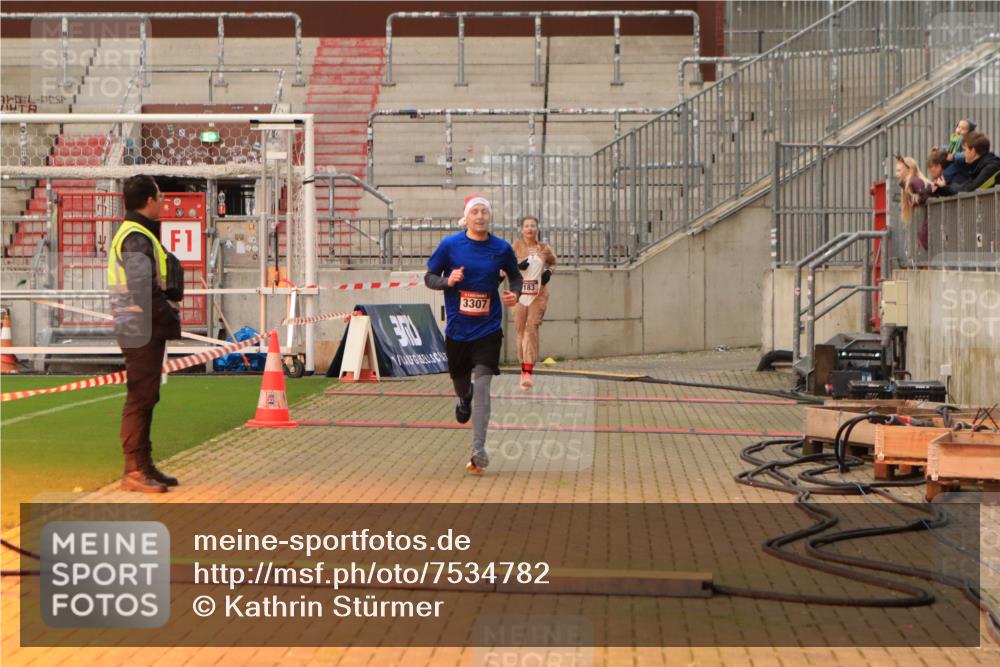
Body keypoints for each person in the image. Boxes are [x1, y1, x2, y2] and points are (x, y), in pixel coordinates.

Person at [424, 195, 523, 475]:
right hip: (458, 330)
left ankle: (478, 450)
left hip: (488, 329)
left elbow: (516, 277)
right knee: (461, 383)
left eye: (484, 212)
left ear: (489, 216)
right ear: (466, 217)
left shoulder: (501, 248)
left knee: (483, 387)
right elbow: (429, 277)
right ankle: (463, 397)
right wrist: (448, 281)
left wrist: (515, 294)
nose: (480, 216)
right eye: (475, 212)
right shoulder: (450, 245)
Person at [108, 175, 184, 492]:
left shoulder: (137, 233)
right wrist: (168, 317)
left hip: (140, 324)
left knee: (147, 396)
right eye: (160, 196)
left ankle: (143, 464)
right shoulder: (136, 236)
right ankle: (134, 471)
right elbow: (143, 289)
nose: (163, 201)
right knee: (140, 397)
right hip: (140, 326)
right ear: (149, 200)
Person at [511, 216, 557, 390]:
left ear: (537, 229)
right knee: (521, 330)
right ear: (521, 229)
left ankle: (528, 372)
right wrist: (516, 267)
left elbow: (553, 262)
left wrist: (549, 272)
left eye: (533, 226)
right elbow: (504, 267)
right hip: (519, 295)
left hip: (538, 295)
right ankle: (523, 369)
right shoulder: (515, 247)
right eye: (526, 226)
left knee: (531, 328)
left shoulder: (544, 248)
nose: (530, 229)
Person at [935, 131, 1000, 196]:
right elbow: (965, 186)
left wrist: (948, 186)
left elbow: (970, 189)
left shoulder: (992, 167)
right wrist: (942, 189)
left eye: (964, 150)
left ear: (973, 151)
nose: (963, 153)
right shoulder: (977, 167)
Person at [895, 156, 931, 251]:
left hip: (933, 209)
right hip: (930, 209)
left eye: (899, 171)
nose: (896, 174)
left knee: (923, 236)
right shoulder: (911, 182)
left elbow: (926, 194)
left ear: (908, 169)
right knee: (922, 236)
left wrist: (915, 202)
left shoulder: (913, 181)